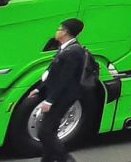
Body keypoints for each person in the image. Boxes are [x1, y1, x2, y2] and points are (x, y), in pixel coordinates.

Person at [28, 19, 87, 162]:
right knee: (49, 130)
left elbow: (64, 79)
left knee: (45, 132)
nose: (57, 31)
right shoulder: (65, 48)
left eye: (59, 29)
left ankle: (65, 159)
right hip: (59, 95)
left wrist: (50, 100)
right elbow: (52, 73)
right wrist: (38, 89)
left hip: (64, 97)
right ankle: (47, 159)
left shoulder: (73, 51)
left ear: (65, 32)